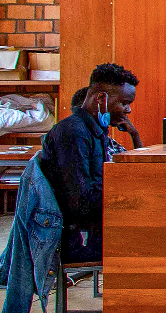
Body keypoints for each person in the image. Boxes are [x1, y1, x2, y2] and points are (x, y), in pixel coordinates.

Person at [37, 62, 137, 264]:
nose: (127, 110)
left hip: (92, 226)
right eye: (124, 103)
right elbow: (79, 202)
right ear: (101, 98)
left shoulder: (94, 131)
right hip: (73, 242)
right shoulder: (73, 133)